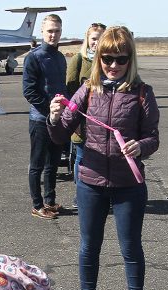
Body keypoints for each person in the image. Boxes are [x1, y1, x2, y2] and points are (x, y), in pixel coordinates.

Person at [48, 25, 160, 290]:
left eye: (120, 59)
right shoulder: (87, 90)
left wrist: (141, 146)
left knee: (131, 246)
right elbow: (59, 135)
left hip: (128, 185)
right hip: (90, 180)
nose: (112, 65)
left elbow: (153, 137)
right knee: (89, 245)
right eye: (106, 58)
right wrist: (54, 116)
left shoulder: (141, 93)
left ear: (130, 59)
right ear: (98, 59)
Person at [23, 13, 68, 220]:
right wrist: (48, 110)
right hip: (40, 120)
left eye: (57, 31)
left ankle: (49, 201)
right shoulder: (34, 57)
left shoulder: (59, 58)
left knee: (53, 163)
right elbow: (29, 91)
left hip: (58, 120)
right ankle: (37, 204)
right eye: (50, 31)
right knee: (37, 164)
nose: (53, 35)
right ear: (42, 32)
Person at [65, 23, 105, 195]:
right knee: (81, 158)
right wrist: (76, 120)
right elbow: (70, 90)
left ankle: (101, 193)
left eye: (101, 38)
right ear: (87, 40)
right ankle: (80, 195)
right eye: (94, 38)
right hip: (82, 119)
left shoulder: (109, 61)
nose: (97, 42)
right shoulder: (79, 60)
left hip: (104, 120)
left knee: (103, 160)